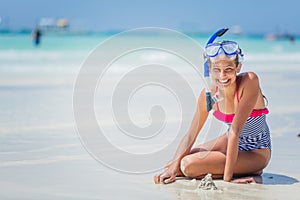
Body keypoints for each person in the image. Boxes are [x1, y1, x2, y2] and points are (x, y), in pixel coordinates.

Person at [154, 39, 271, 184]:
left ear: (238, 67)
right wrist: (172, 169)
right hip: (229, 140)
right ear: (209, 69)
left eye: (228, 69)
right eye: (217, 70)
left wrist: (229, 179)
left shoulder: (249, 81)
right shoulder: (208, 95)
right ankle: (233, 166)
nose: (222, 76)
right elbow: (191, 135)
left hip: (255, 150)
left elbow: (235, 130)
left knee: (188, 165)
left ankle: (249, 168)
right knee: (175, 163)